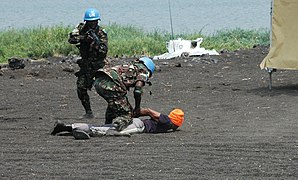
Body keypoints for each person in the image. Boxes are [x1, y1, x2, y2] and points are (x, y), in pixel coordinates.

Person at [93, 57, 155, 131]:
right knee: (127, 114)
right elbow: (137, 90)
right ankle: (114, 129)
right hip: (112, 84)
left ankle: (106, 126)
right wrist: (137, 108)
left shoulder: (129, 66)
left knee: (114, 103)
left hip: (98, 81)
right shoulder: (143, 71)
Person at [68, 8, 108, 119]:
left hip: (98, 66)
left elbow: (103, 51)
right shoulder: (81, 28)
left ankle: (114, 109)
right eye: (90, 22)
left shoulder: (101, 33)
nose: (93, 24)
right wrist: (83, 38)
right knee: (81, 87)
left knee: (106, 89)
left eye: (95, 22)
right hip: (86, 65)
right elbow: (71, 40)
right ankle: (88, 112)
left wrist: (95, 44)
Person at [50, 108, 184, 140]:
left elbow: (150, 113)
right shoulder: (170, 124)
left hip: (138, 124)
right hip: (138, 126)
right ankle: (71, 129)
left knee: (107, 127)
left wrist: (135, 113)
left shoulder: (168, 122)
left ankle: (67, 128)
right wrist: (135, 113)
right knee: (110, 131)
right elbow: (150, 112)